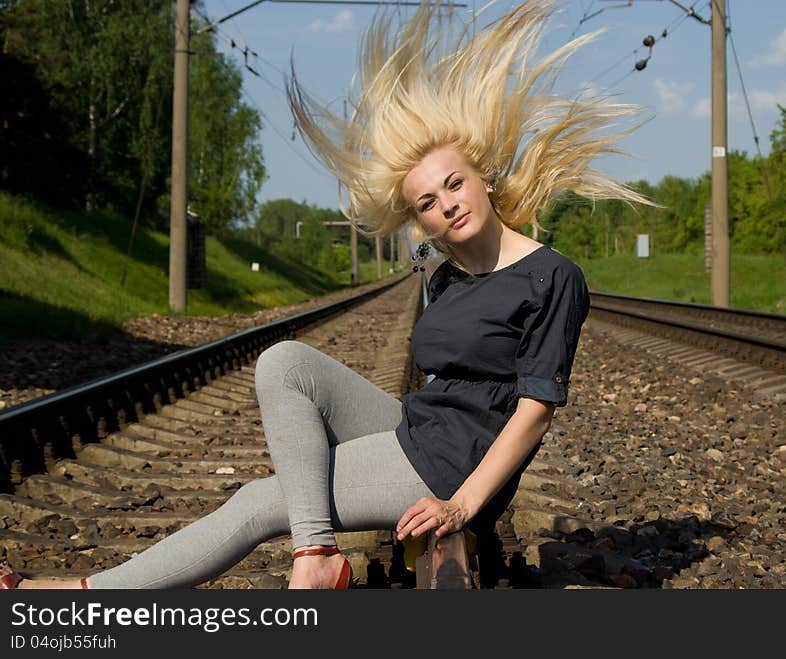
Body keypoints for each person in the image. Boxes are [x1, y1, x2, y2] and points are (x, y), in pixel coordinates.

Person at [0, 0, 646, 591]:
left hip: (456, 460)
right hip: (419, 427)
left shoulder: (551, 274)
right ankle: (316, 547)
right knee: (284, 361)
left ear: (485, 177)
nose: (446, 204)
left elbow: (535, 410)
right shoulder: (442, 272)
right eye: (426, 201)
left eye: (454, 183)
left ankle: (66, 598)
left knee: (257, 502)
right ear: (417, 219)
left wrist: (463, 504)